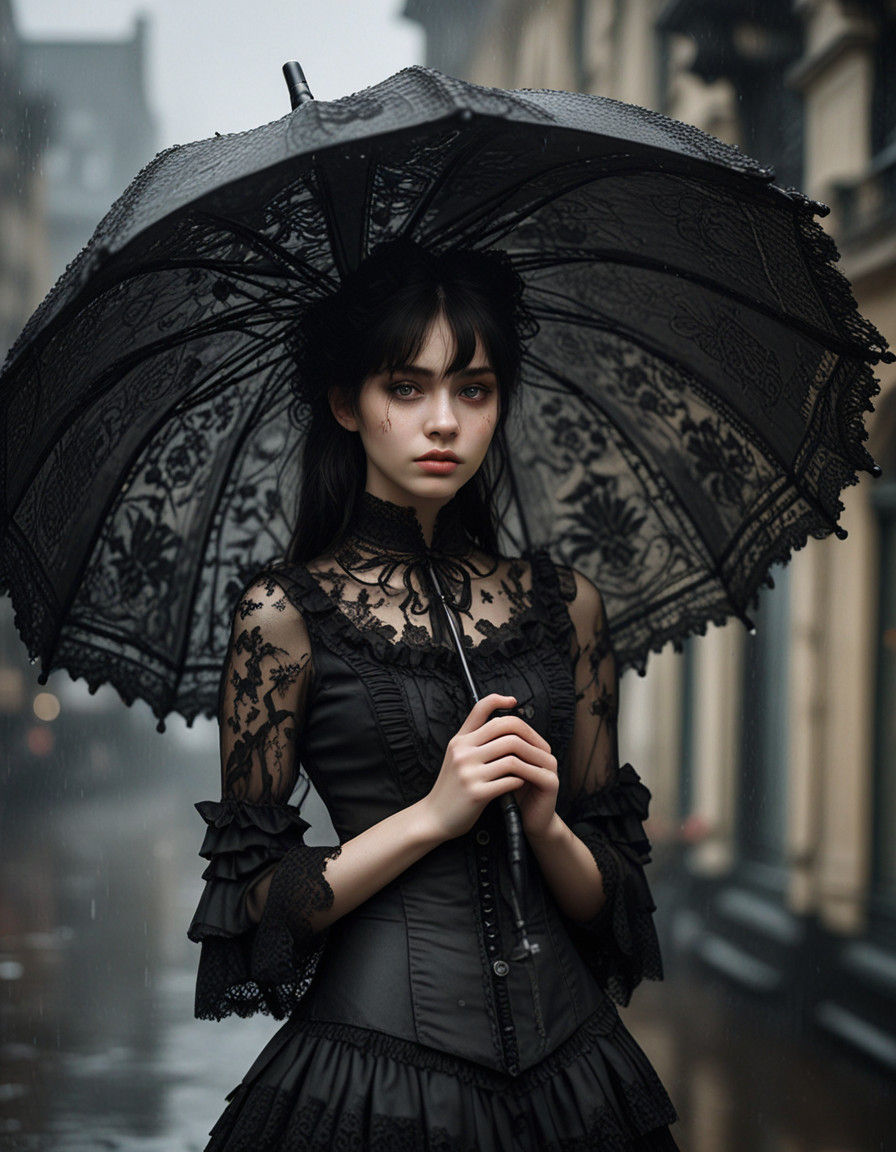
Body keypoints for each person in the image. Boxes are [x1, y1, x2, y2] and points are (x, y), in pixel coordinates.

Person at [187, 237, 681, 1150]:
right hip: (372, 1083)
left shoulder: (567, 607)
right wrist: (436, 814)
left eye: (475, 388)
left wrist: (546, 821)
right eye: (405, 388)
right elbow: (256, 897)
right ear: (348, 403)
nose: (444, 421)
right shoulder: (283, 616)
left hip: (577, 1079)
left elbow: (610, 899)